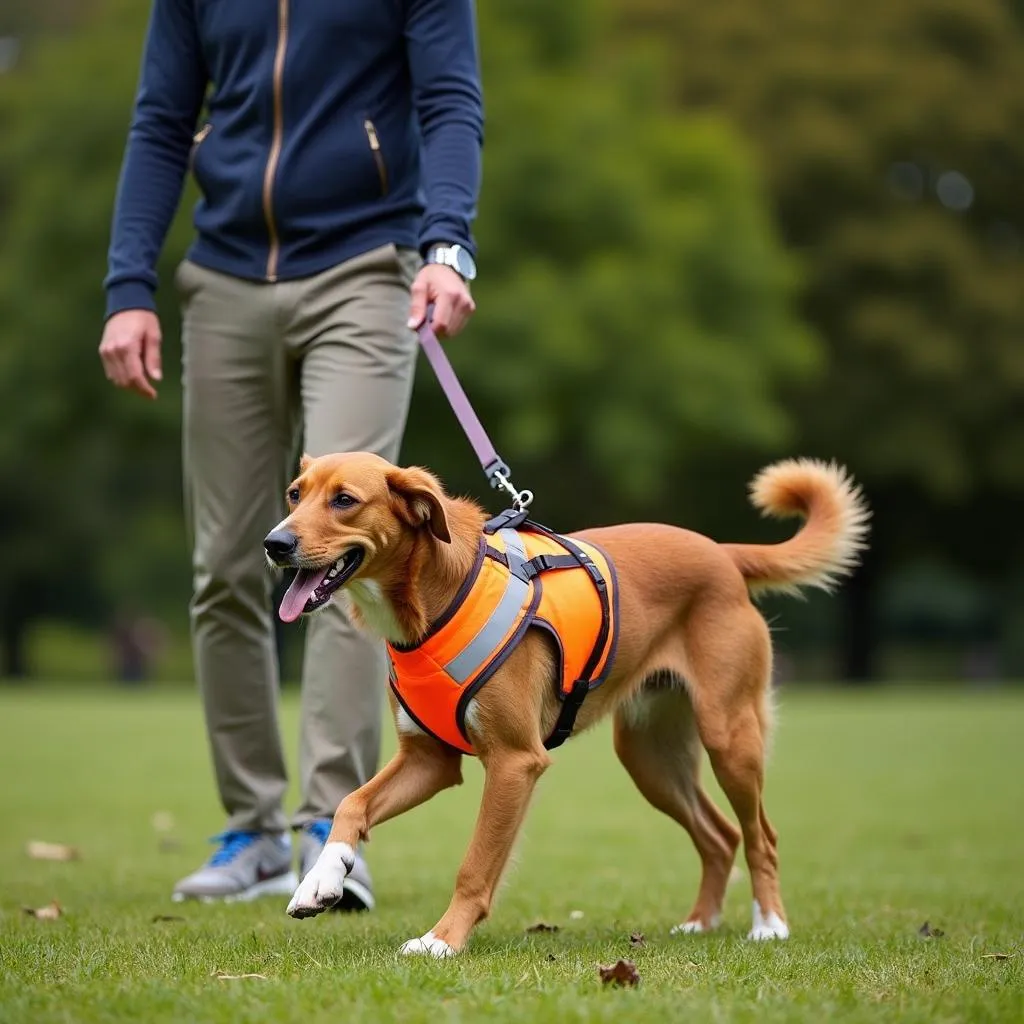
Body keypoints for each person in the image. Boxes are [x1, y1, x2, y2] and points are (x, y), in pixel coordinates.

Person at [98, 0, 483, 908]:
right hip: (224, 275)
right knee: (226, 564)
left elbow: (450, 102)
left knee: (350, 546)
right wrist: (128, 284)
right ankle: (252, 831)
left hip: (365, 265)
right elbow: (160, 120)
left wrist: (448, 242)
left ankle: (330, 831)